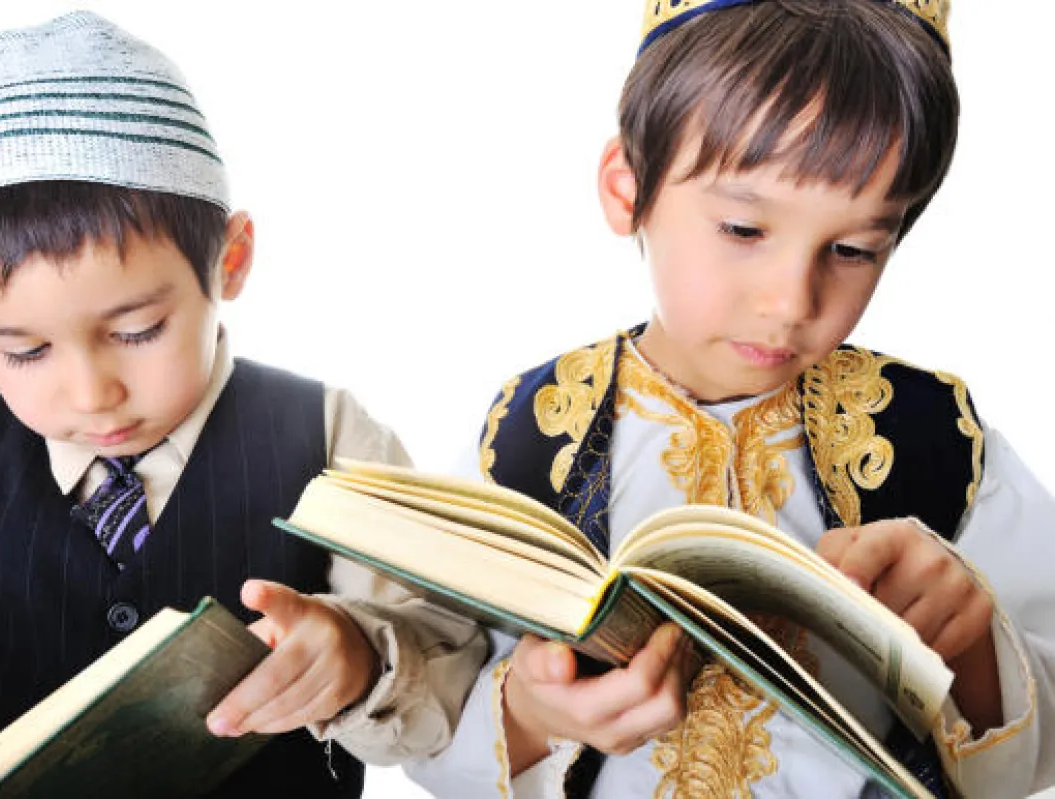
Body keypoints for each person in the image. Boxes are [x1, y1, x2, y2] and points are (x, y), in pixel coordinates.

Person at [406, 1, 1054, 796]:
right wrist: (533, 715)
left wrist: (976, 650)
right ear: (628, 188)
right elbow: (425, 710)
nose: (792, 300)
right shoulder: (532, 434)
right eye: (744, 229)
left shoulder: (934, 438)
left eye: (853, 249)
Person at [0, 11, 484, 797]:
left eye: (138, 330)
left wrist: (359, 657)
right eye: (25, 351)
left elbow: (451, 659)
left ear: (231, 260)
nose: (93, 393)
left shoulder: (329, 438)